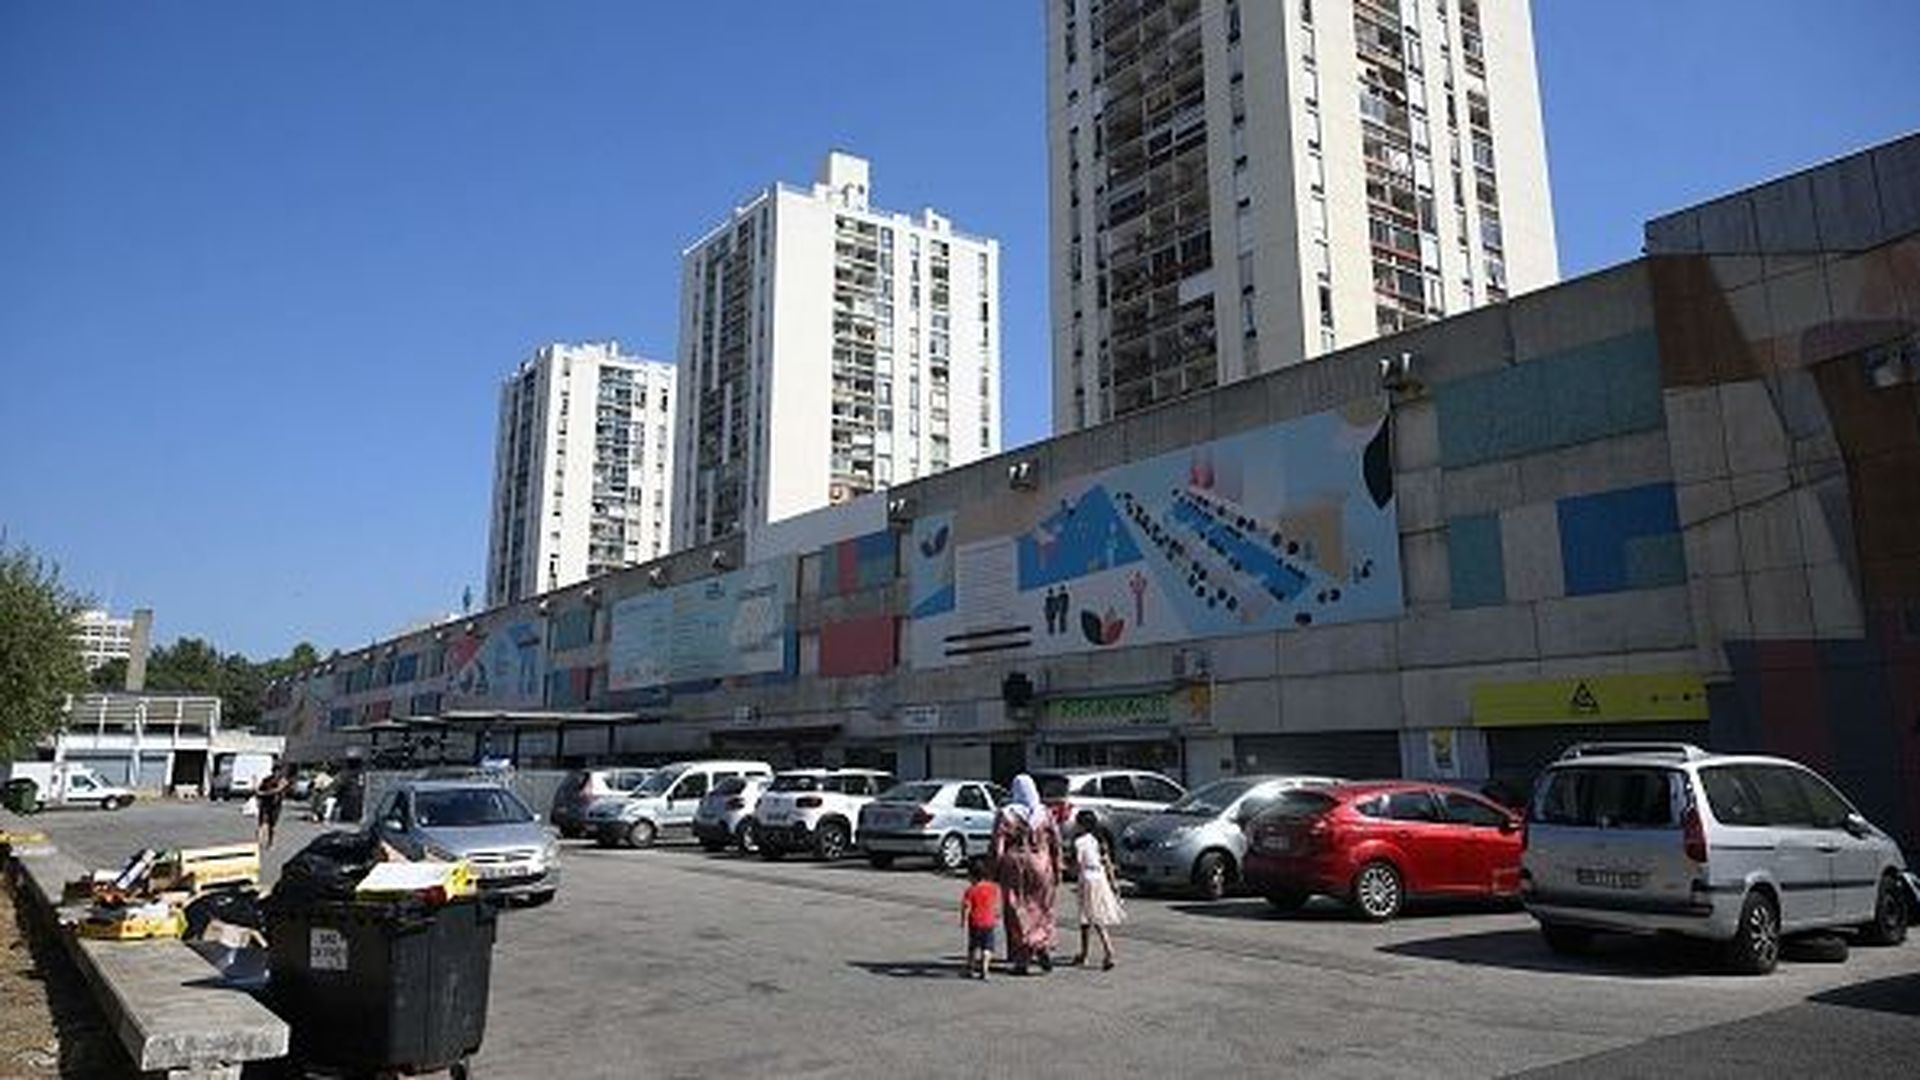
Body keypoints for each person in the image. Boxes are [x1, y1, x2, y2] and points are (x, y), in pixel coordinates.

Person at [990, 773, 1061, 975]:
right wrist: (1057, 868)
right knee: (1042, 909)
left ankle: (1022, 959)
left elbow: (997, 847)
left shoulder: (1006, 814)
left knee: (1017, 911)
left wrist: (992, 870)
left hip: (1014, 866)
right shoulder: (1045, 813)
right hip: (1041, 864)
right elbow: (1055, 842)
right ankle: (1042, 946)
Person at [1069, 810, 1124, 970]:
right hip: (1100, 878)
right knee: (1092, 916)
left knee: (1088, 917)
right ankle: (1085, 953)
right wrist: (1114, 883)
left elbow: (1076, 866)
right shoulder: (1099, 840)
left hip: (1087, 879)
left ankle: (1107, 951)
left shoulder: (1079, 842)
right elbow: (1107, 863)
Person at [960, 856, 1002, 981]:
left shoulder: (970, 890)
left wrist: (963, 920)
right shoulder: (993, 888)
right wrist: (996, 916)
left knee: (973, 947)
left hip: (975, 922)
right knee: (987, 947)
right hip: (989, 922)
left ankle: (970, 968)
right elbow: (995, 904)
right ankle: (985, 969)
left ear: (972, 876)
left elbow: (966, 907)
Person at [254, 764, 291, 851]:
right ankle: (258, 842)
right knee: (261, 824)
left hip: (275, 806)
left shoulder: (283, 781)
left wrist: (262, 793)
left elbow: (278, 790)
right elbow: (259, 790)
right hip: (265, 804)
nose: (277, 773)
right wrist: (257, 791)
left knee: (272, 827)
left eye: (278, 771)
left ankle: (271, 843)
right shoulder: (267, 780)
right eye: (275, 771)